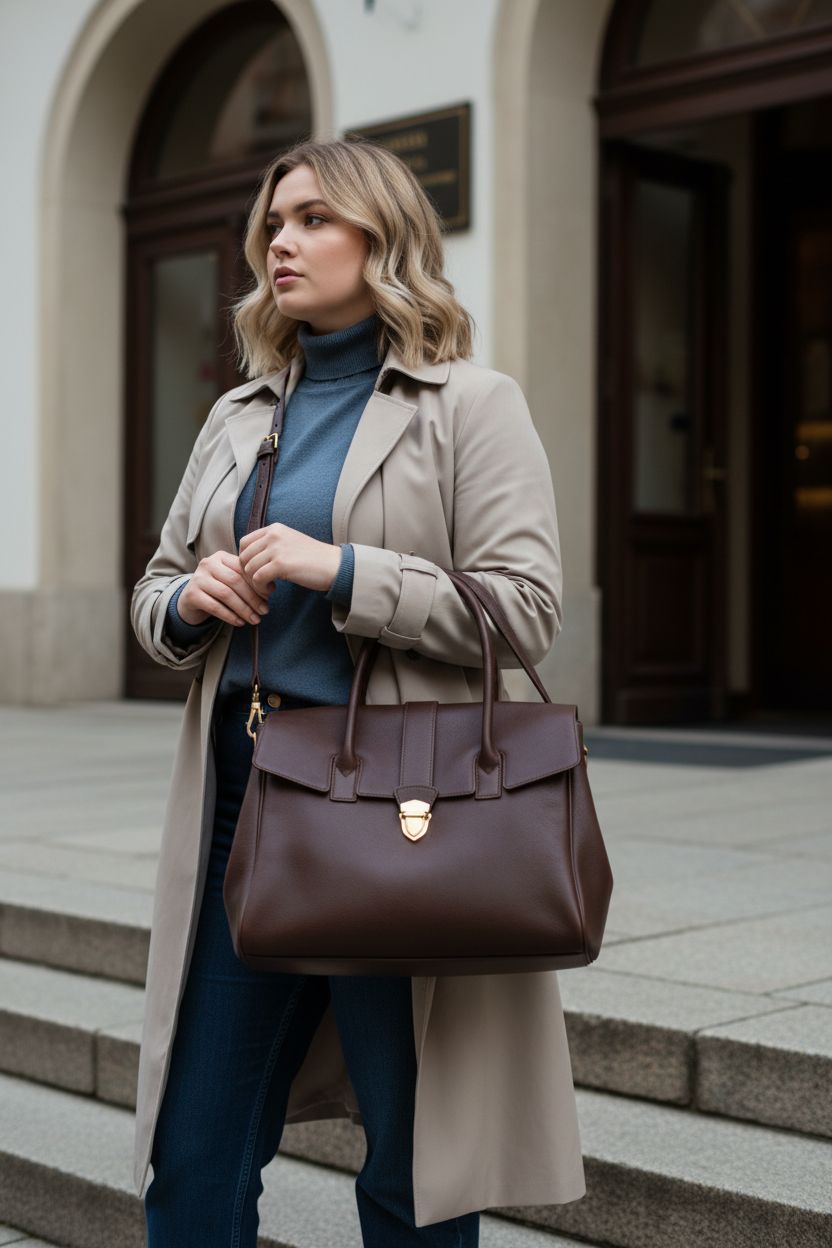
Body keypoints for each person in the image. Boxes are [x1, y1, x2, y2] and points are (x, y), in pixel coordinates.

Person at [131, 136, 586, 1247]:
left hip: (405, 810)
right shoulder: (240, 413)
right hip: (249, 806)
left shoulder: (471, 404)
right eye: (273, 225)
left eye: (313, 220)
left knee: (412, 1157)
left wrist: (338, 570)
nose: (280, 243)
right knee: (192, 1157)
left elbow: (523, 609)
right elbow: (152, 593)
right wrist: (198, 598)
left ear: (384, 239)